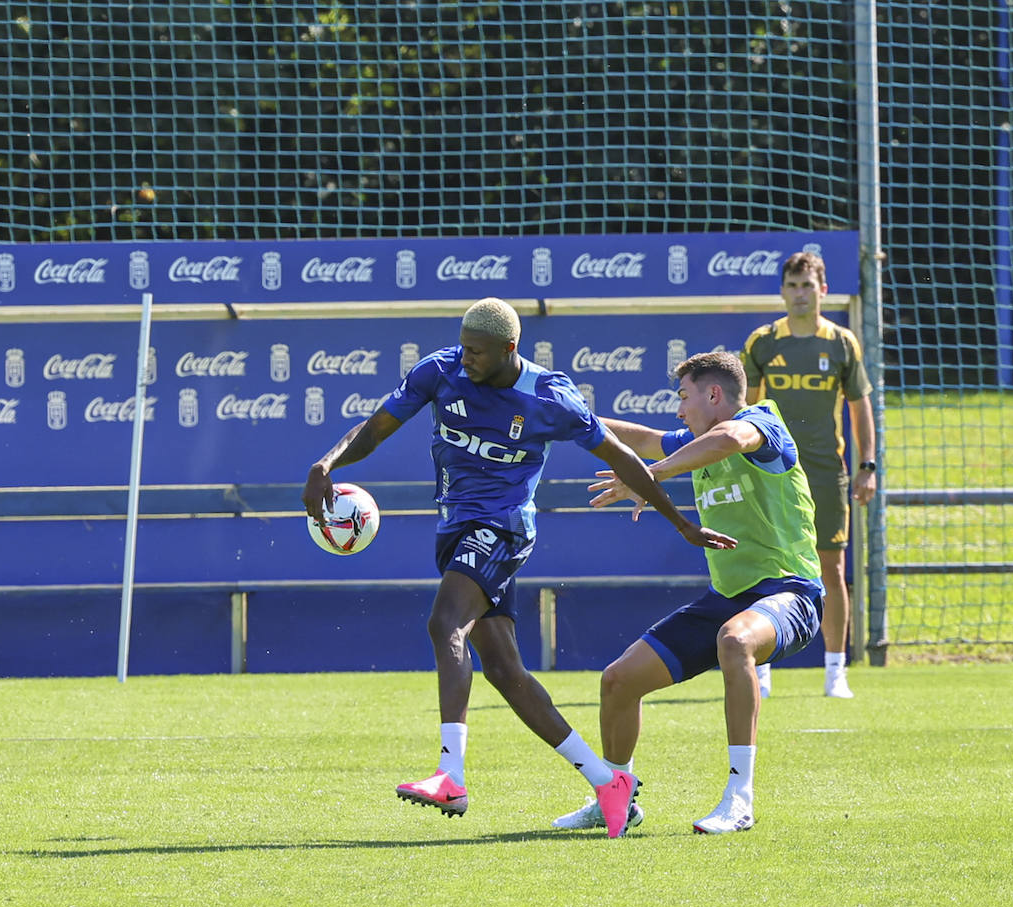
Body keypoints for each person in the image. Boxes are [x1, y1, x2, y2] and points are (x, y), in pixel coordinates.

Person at [302, 298, 735, 838]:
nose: (467, 359)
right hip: (456, 529)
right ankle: (607, 781)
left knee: (444, 624)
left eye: (478, 352)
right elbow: (377, 427)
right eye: (463, 347)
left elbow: (623, 457)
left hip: (503, 528)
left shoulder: (549, 397)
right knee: (506, 672)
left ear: (510, 349)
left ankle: (450, 775)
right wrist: (328, 462)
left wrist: (682, 524)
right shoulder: (440, 372)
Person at [552, 350, 823, 835]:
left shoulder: (760, 425)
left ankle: (739, 800)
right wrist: (571, 417)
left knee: (736, 640)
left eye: (684, 397)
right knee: (618, 681)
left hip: (791, 594)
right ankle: (616, 796)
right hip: (727, 599)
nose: (679, 410)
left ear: (714, 394)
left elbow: (729, 438)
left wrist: (649, 475)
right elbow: (645, 439)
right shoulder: (693, 440)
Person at [741, 251, 875, 699]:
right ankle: (760, 667)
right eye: (793, 285)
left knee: (832, 569)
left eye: (808, 285)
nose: (800, 293)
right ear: (783, 290)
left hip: (825, 472)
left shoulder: (841, 342)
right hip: (772, 474)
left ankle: (835, 671)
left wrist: (867, 465)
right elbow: (748, 414)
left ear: (823, 289)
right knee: (766, 566)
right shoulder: (762, 341)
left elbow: (860, 407)